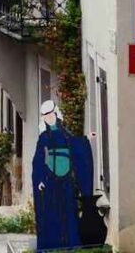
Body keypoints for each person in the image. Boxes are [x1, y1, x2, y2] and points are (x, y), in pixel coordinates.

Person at [32, 100, 94, 251]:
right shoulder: (43, 138)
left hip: (66, 179)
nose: (49, 117)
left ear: (56, 114)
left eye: (51, 114)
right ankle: (53, 244)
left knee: (69, 211)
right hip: (51, 179)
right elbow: (38, 160)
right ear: (44, 118)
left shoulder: (65, 134)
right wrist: (40, 179)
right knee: (53, 212)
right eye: (46, 116)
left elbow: (76, 145)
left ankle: (71, 244)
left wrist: (86, 138)